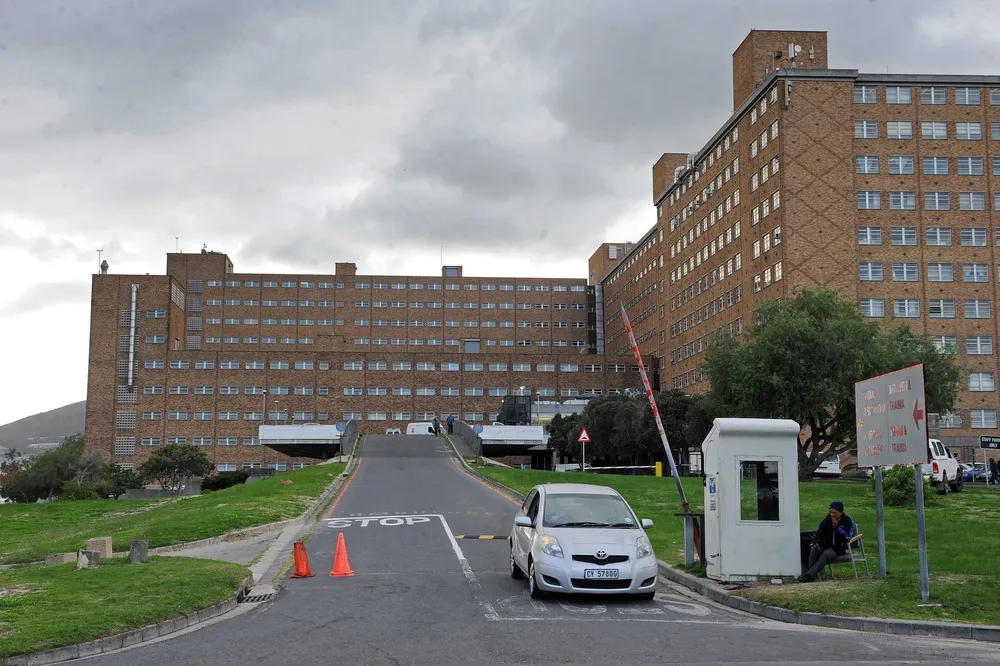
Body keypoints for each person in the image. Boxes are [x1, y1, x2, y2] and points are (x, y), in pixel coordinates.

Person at [798, 501, 855, 583]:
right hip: (824, 545)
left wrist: (838, 527)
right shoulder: (827, 519)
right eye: (830, 512)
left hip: (837, 548)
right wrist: (816, 543)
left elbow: (848, 536)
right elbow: (819, 531)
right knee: (814, 550)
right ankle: (811, 575)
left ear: (841, 512)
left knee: (826, 554)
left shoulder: (847, 520)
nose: (831, 515)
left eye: (834, 513)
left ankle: (809, 576)